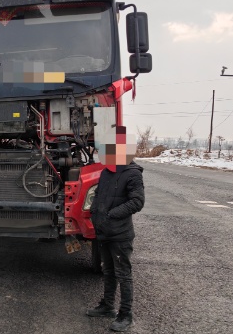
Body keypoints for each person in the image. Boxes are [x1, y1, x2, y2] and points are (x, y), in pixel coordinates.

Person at [86, 126, 145, 332]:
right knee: (108, 271)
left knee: (123, 274)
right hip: (104, 232)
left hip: (120, 234)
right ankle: (108, 306)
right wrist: (95, 213)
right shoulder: (106, 172)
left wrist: (111, 215)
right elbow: (99, 195)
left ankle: (126, 314)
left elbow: (137, 202)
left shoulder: (132, 174)